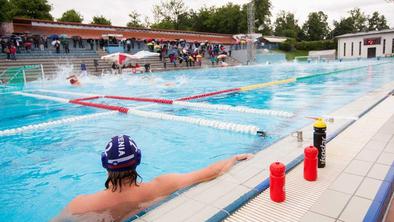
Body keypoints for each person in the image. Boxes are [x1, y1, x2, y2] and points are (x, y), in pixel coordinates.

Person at [54, 135, 253, 221]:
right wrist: (234, 158)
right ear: (138, 160)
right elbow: (211, 172)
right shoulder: (162, 185)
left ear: (105, 164)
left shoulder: (79, 205)